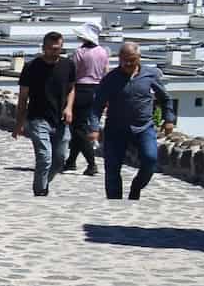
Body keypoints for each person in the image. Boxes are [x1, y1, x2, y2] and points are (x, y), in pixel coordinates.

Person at [92, 40, 173, 201]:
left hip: (144, 127)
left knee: (150, 159)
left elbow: (166, 98)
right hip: (116, 129)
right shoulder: (110, 78)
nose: (128, 63)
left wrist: (168, 119)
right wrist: (94, 128)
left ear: (139, 57)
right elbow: (97, 105)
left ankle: (136, 188)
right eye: (124, 60)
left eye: (132, 59)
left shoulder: (150, 75)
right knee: (112, 168)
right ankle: (115, 202)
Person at [14, 31, 76, 196]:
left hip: (60, 120)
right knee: (44, 157)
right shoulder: (31, 67)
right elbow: (23, 98)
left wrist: (69, 107)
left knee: (59, 160)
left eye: (57, 48)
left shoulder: (68, 65)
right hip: (38, 118)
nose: (54, 52)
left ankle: (43, 183)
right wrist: (19, 123)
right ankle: (40, 191)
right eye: (50, 48)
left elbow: (71, 89)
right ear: (43, 47)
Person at [67, 21, 109, 177]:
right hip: (97, 90)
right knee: (83, 126)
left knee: (78, 128)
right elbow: (106, 72)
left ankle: (91, 164)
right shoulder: (103, 52)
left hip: (82, 89)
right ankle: (71, 161)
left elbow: (73, 72)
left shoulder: (79, 52)